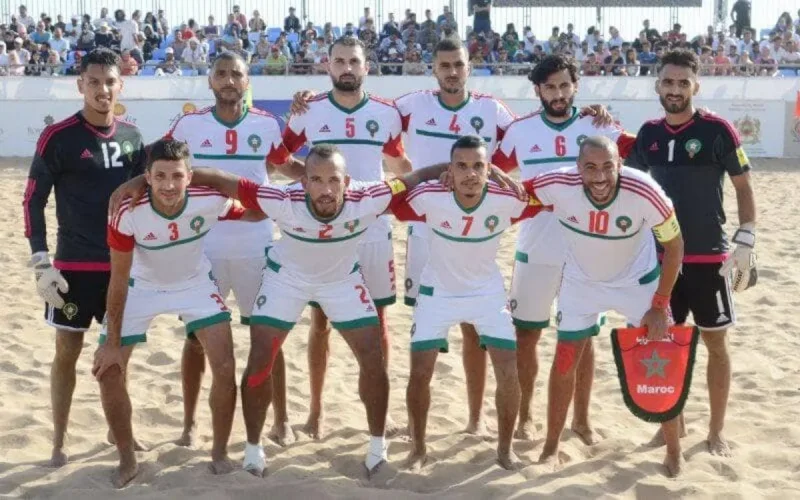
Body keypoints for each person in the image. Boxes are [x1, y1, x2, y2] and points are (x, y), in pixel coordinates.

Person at [165, 144, 481, 476]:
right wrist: (149, 183)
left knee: (373, 358)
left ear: (348, 182)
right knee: (261, 359)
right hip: (286, 279)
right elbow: (222, 179)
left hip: (341, 280)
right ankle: (254, 449)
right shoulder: (283, 199)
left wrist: (463, 170)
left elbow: (417, 175)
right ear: (303, 183)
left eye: (334, 180)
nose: (326, 189)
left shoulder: (370, 196)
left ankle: (377, 448)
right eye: (316, 179)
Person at [95, 139, 261, 487]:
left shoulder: (209, 199)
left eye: (177, 176)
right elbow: (119, 278)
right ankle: (127, 458)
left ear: (190, 177)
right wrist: (111, 342)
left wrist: (209, 175)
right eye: (160, 177)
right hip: (141, 286)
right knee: (109, 369)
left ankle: (218, 453)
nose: (168, 185)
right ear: (147, 178)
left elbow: (256, 206)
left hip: (194, 284)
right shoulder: (127, 211)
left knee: (225, 366)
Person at [161, 52, 306, 450]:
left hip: (256, 245)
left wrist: (321, 179)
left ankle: (282, 421)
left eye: (236, 74)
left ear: (247, 81)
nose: (228, 80)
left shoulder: (265, 123)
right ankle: (190, 424)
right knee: (194, 339)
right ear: (210, 81)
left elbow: (286, 166)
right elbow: (164, 171)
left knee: (269, 338)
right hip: (202, 248)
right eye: (221, 74)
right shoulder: (189, 124)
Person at [492, 55, 635, 442]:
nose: (558, 94)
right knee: (527, 336)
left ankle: (582, 419)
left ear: (576, 86)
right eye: (550, 87)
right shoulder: (520, 130)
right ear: (538, 90)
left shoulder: (596, 124)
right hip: (536, 246)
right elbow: (490, 168)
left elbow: (637, 155)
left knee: (583, 338)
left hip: (587, 249)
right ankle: (525, 415)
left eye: (564, 86)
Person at [278, 36, 413, 439]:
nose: (347, 68)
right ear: (328, 66)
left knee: (379, 320)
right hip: (323, 230)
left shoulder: (386, 113)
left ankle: (381, 412)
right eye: (340, 61)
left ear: (366, 67)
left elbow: (400, 163)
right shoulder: (310, 109)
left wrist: (422, 180)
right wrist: (316, 184)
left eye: (354, 61)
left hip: (372, 227)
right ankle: (316, 413)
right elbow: (280, 160)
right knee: (320, 321)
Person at [525, 136, 685, 476]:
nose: (599, 177)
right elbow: (511, 195)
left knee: (660, 357)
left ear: (620, 165)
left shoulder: (645, 191)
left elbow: (675, 246)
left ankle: (674, 450)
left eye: (607, 167)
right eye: (590, 167)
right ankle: (552, 448)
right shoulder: (557, 183)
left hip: (637, 285)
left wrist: (659, 304)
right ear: (578, 167)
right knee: (564, 361)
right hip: (581, 284)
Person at [627, 49, 757, 458]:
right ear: (657, 85)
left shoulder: (719, 130)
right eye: (668, 82)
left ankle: (715, 432)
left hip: (707, 258)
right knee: (664, 343)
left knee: (715, 344)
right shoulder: (648, 134)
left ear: (696, 85)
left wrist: (746, 240)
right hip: (662, 260)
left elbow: (743, 186)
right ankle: (673, 425)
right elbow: (626, 186)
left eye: (683, 82)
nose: (675, 89)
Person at [22, 48, 146, 468]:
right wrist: (41, 262)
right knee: (66, 353)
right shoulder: (59, 137)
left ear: (120, 85)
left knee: (120, 353)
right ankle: (58, 441)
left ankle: (117, 429)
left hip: (122, 266)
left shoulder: (131, 137)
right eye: (93, 82)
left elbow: (150, 197)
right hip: (73, 268)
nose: (102, 89)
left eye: (109, 81)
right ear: (81, 85)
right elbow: (32, 200)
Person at [392, 135, 542, 470]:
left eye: (478, 166)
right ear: (450, 169)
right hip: (437, 292)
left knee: (507, 369)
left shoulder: (507, 198)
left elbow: (554, 194)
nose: (470, 173)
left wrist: (508, 177)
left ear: (489, 169)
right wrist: (432, 171)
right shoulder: (430, 197)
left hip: (486, 293)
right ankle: (418, 449)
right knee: (420, 373)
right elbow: (393, 193)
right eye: (461, 166)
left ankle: (504, 450)